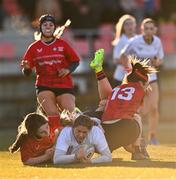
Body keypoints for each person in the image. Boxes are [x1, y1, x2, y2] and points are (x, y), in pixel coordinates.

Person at [88, 49, 157, 160]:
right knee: (137, 117)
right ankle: (137, 152)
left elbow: (105, 98)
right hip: (124, 130)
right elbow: (144, 112)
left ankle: (99, 71)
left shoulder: (117, 89)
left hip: (102, 135)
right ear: (141, 83)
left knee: (104, 104)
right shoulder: (140, 89)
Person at [21, 14, 80, 127]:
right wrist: (27, 68)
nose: (48, 27)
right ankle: (56, 142)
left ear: (54, 28)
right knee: (53, 116)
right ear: (40, 28)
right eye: (45, 25)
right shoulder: (33, 47)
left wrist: (67, 70)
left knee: (70, 116)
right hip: (44, 85)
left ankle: (73, 142)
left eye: (51, 25)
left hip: (64, 84)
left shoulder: (62, 44)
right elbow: (26, 72)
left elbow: (75, 61)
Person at [120, 18, 164, 144]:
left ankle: (153, 136)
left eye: (151, 28)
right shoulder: (135, 41)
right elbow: (123, 55)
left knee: (154, 108)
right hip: (137, 81)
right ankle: (135, 135)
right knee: (136, 109)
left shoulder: (158, 42)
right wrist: (129, 71)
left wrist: (157, 62)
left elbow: (160, 59)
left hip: (152, 79)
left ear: (155, 30)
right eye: (146, 28)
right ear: (142, 30)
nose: (149, 31)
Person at [112, 14, 136, 86]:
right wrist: (127, 61)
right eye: (127, 24)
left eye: (131, 23)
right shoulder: (120, 42)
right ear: (123, 27)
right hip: (121, 78)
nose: (129, 26)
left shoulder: (139, 40)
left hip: (136, 78)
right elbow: (115, 60)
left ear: (135, 25)